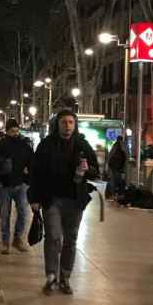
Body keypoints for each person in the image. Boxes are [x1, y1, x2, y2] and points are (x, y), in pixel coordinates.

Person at [29, 109, 100, 295]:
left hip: (75, 200)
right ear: (57, 124)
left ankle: (65, 277)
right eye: (63, 122)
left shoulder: (82, 145)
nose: (67, 126)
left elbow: (96, 171)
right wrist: (34, 198)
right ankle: (51, 276)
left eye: (70, 122)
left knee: (71, 239)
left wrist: (86, 170)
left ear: (75, 125)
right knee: (53, 236)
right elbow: (35, 173)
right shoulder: (46, 145)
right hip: (51, 199)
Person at [0, 119, 35, 254]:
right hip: (4, 185)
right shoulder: (0, 145)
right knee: (5, 214)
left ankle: (18, 239)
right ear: (7, 131)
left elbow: (32, 162)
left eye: (17, 131)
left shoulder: (24, 145)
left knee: (23, 212)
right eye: (12, 131)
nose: (15, 133)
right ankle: (5, 242)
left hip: (21, 185)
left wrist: (28, 179)